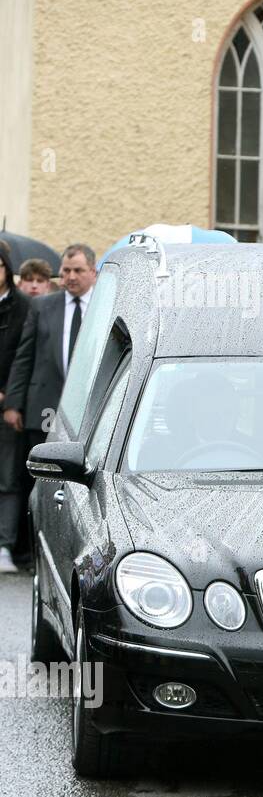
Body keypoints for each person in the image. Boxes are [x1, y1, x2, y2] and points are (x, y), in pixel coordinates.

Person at [4, 243, 97, 441]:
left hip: (91, 409)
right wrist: (13, 404)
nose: (71, 276)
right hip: (44, 408)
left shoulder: (105, 305)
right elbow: (24, 357)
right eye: (66, 270)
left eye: (78, 270)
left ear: (93, 272)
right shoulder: (42, 306)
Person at [0, 244, 32, 573]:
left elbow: (24, 357)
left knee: (8, 477)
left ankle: (5, 545)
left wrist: (9, 396)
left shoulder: (23, 307)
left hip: (6, 403)